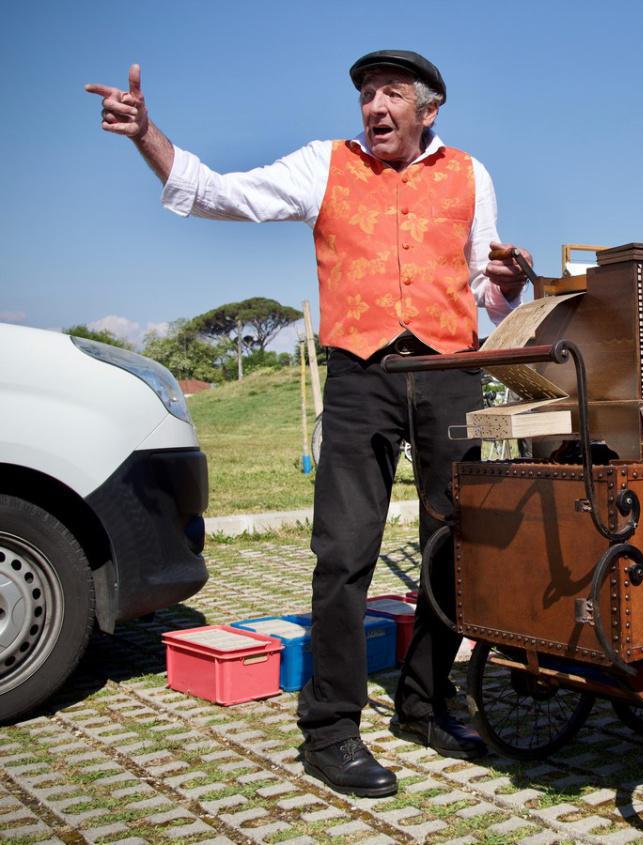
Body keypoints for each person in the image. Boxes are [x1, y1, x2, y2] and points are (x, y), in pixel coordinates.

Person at [87, 53, 533, 797]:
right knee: (345, 551)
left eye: (391, 94)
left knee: (459, 544)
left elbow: (489, 293)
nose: (373, 107)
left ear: (430, 108)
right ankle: (330, 728)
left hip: (450, 373)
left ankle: (424, 702)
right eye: (365, 95)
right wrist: (147, 136)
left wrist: (509, 283)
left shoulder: (472, 174)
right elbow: (220, 193)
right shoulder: (324, 165)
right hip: (360, 374)